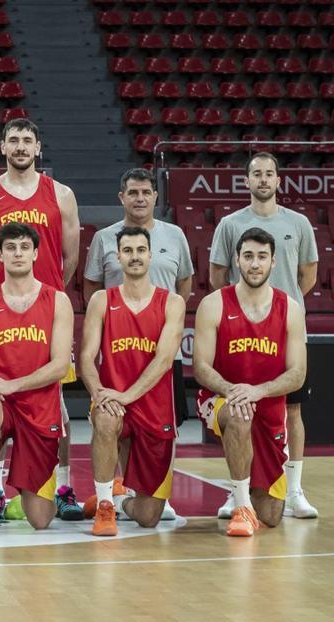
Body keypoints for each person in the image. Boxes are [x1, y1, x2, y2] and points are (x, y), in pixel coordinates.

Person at [0, 117, 82, 522]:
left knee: (59, 406)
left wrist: (40, 296)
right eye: (13, 140)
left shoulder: (61, 194)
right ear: (2, 147)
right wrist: (4, 293)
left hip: (47, 312)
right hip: (0, 313)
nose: (20, 147)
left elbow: (69, 259)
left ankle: (63, 486)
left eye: (27, 140)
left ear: (37, 148)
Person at [208, 152, 319, 520]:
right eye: (256, 174)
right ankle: (236, 491)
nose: (263, 179)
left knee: (293, 410)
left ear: (278, 179)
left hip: (284, 325)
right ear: (247, 180)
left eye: (269, 173)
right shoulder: (229, 224)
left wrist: (282, 305)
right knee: (238, 409)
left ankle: (296, 488)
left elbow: (308, 275)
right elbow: (217, 274)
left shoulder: (298, 222)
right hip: (242, 323)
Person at [81, 168, 192, 521]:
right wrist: (100, 393)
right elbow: (85, 354)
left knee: (149, 516)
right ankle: (105, 503)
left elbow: (184, 284)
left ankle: (136, 497)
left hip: (154, 377)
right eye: (127, 250)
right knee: (107, 418)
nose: (134, 256)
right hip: (116, 379)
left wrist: (125, 396)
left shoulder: (173, 248)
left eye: (141, 250)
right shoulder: (103, 291)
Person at [0, 223, 74, 539]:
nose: (18, 253)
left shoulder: (58, 301)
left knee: (40, 519)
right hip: (0, 404)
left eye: (24, 247)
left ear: (36, 253)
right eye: (11, 247)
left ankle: (23, 498)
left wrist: (12, 385)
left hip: (38, 406)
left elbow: (60, 366)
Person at [193, 228, 307, 536]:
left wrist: (257, 391)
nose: (254, 264)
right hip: (219, 398)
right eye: (248, 257)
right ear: (236, 261)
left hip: (268, 406)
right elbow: (200, 367)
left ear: (273, 262)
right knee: (240, 413)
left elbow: (298, 374)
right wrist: (233, 391)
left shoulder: (291, 310)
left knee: (271, 515)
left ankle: (249, 493)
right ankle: (241, 503)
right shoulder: (214, 304)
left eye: (261, 257)